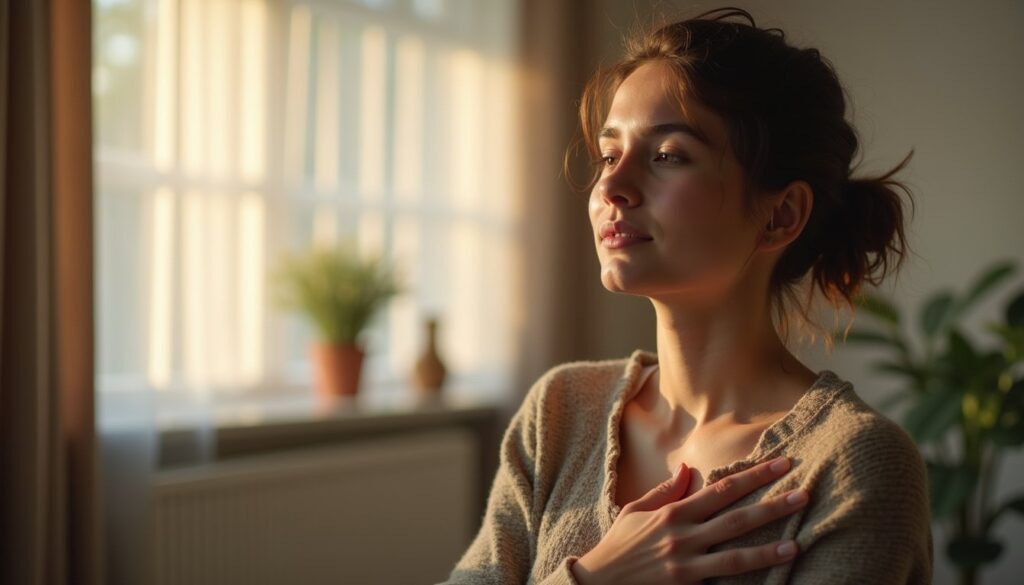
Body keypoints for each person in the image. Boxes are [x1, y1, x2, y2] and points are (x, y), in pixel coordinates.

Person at [441, 6, 932, 584]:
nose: (612, 187)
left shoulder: (853, 463)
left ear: (781, 215)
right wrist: (596, 577)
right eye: (608, 154)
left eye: (668, 156)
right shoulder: (559, 411)